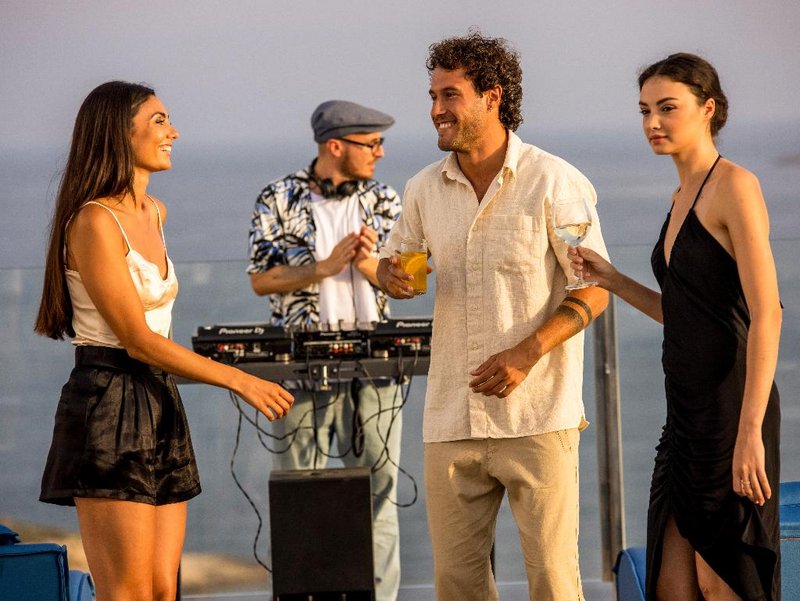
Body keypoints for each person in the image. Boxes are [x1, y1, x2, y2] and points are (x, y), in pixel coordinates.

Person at [34, 81, 294, 601]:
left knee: (160, 590)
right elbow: (136, 340)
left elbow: (157, 337)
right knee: (127, 592)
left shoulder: (155, 212)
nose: (173, 131)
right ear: (119, 132)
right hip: (108, 402)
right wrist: (239, 380)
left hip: (159, 399)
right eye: (159, 121)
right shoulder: (94, 220)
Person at [376, 31, 609, 601]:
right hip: (451, 419)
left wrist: (526, 353)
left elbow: (594, 289)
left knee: (553, 580)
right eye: (433, 96)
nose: (436, 109)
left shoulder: (554, 181)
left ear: (492, 96)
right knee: (457, 585)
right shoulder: (422, 189)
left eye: (450, 95)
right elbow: (394, 260)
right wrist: (389, 277)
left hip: (538, 417)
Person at [572, 53, 782, 600]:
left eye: (667, 108)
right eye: (644, 110)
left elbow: (768, 313)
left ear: (708, 109)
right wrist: (613, 280)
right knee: (672, 585)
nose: (652, 123)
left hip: (732, 408)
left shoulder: (735, 185)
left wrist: (750, 433)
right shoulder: (680, 196)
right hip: (685, 415)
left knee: (723, 580)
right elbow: (686, 316)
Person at [247, 99, 403, 600]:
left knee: (381, 494)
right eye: (371, 143)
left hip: (378, 367)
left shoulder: (385, 199)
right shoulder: (278, 197)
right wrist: (323, 268)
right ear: (336, 146)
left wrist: (371, 263)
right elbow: (260, 279)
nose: (380, 152)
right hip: (300, 369)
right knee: (299, 493)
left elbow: (406, 283)